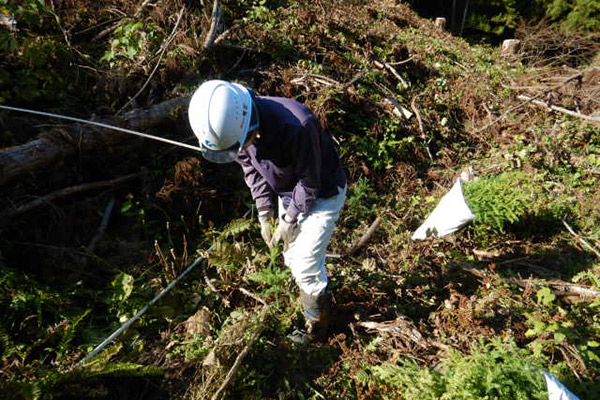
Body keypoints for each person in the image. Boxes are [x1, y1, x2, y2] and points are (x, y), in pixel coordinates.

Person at [188, 80, 347, 343]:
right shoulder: (237, 131)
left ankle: (317, 327)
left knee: (306, 264)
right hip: (288, 194)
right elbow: (250, 169)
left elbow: (310, 183)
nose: (240, 150)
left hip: (323, 195)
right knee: (292, 258)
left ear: (250, 123)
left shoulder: (297, 124)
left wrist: (289, 218)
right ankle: (312, 292)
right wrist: (264, 211)